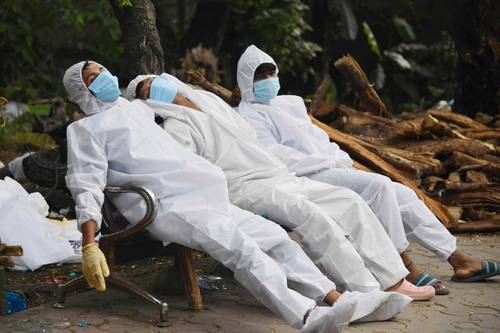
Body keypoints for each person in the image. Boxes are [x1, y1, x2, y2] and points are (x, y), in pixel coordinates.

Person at [64, 60, 413, 333]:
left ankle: (334, 298)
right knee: (241, 249)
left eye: (103, 70)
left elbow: (181, 102)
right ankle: (304, 314)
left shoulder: (135, 109)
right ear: (81, 91)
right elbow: (86, 184)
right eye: (95, 77)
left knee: (276, 238)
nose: (105, 77)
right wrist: (90, 243)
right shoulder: (84, 130)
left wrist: (166, 90)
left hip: (205, 193)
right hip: (164, 205)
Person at [125, 73, 435, 301]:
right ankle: (365, 289)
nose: (158, 88)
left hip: (274, 174)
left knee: (347, 199)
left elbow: (248, 137)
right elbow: (192, 170)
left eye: (155, 81)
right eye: (149, 90)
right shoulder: (176, 126)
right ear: (147, 102)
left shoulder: (212, 105)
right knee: (310, 214)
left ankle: (394, 280)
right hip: (243, 187)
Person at [235, 44, 500, 293]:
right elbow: (277, 157)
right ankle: (403, 267)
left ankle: (458, 260)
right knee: (379, 186)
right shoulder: (248, 115)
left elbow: (319, 140)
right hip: (301, 177)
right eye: (261, 76)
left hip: (326, 168)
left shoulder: (285, 106)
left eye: (272, 72)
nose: (269, 79)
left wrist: (335, 157)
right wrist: (327, 161)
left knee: (402, 195)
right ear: (247, 80)